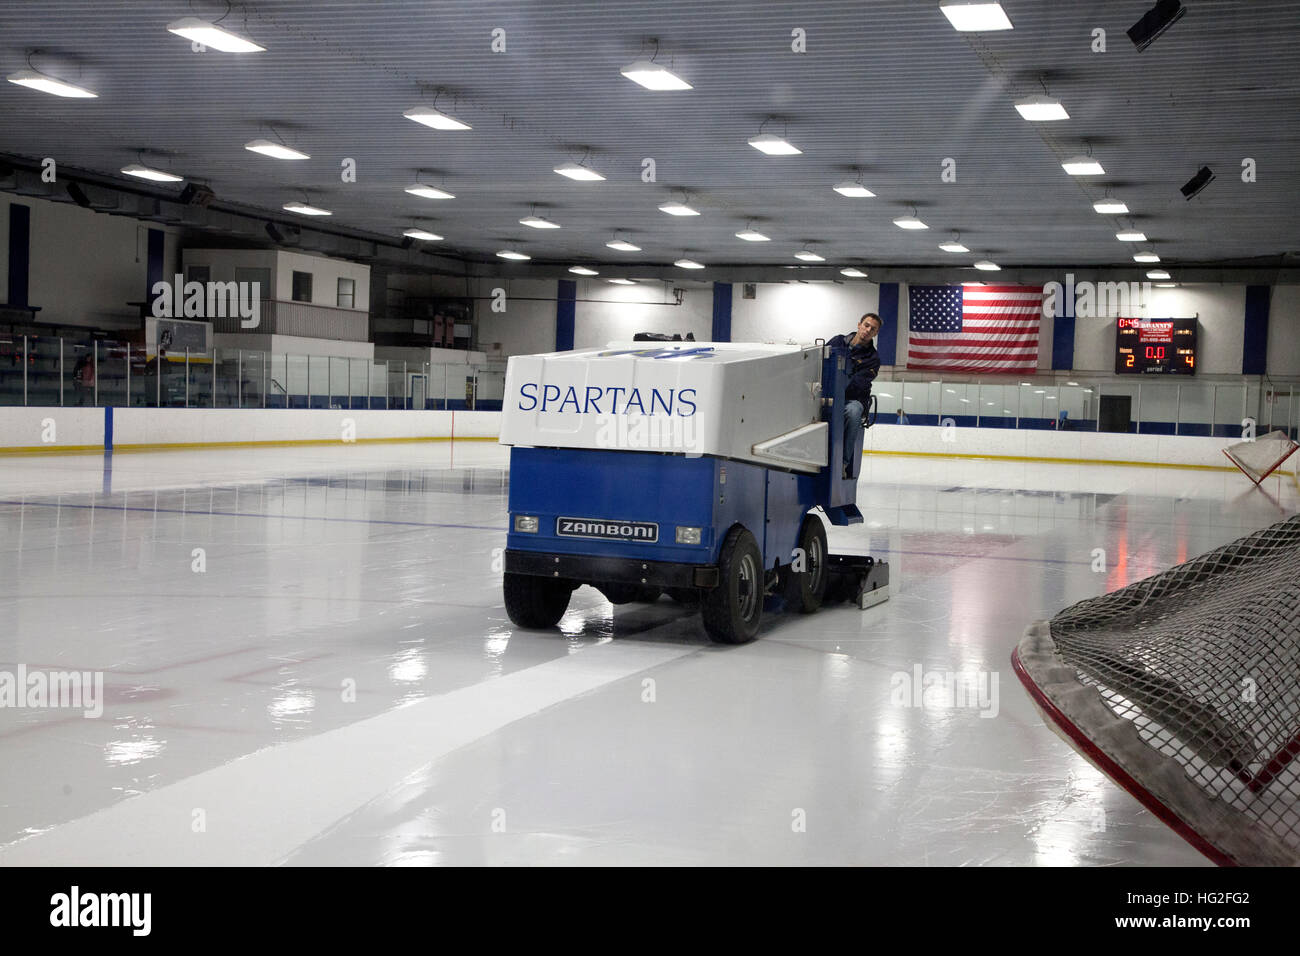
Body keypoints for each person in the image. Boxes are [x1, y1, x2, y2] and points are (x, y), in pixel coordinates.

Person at [827, 313, 882, 478]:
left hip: (850, 399)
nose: (867, 330)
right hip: (827, 394)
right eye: (866, 325)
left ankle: (842, 463)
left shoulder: (873, 358)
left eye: (872, 329)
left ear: (875, 334)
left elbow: (858, 384)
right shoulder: (837, 341)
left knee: (854, 410)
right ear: (859, 325)